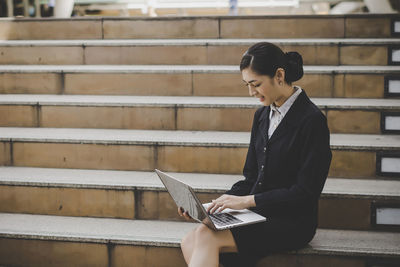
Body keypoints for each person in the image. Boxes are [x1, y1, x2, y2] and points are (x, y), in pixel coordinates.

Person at [178, 42, 332, 267]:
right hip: (256, 214)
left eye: (256, 84)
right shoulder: (262, 117)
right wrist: (212, 206)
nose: (251, 92)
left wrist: (247, 201)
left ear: (279, 75)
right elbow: (251, 178)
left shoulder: (312, 121)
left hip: (292, 221)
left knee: (203, 237)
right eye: (247, 85)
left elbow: (306, 192)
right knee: (190, 238)